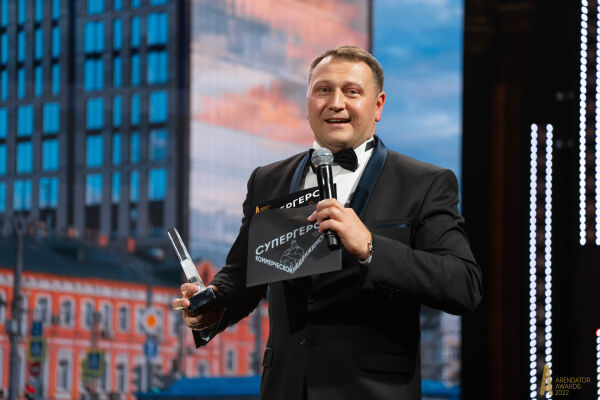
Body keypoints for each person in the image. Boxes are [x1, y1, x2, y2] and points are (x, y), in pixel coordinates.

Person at [172, 45, 482, 400]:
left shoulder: (423, 183)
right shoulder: (267, 180)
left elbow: (463, 285)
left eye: (352, 91)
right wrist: (212, 306)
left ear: (378, 105)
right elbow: (243, 275)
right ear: (307, 102)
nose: (336, 103)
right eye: (323, 90)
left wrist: (370, 247)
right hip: (286, 389)